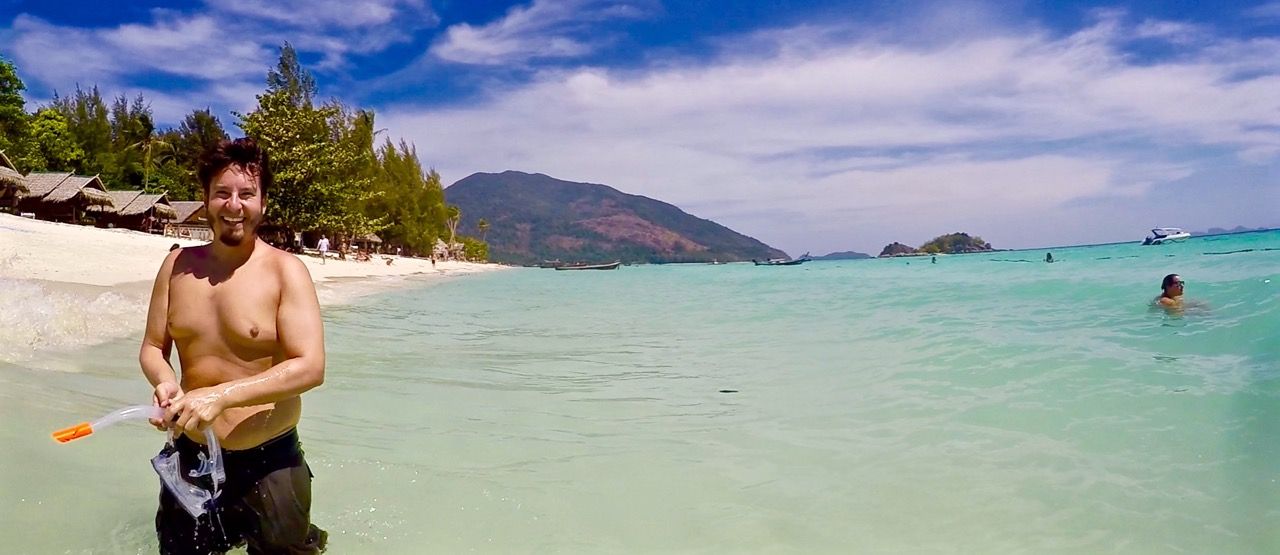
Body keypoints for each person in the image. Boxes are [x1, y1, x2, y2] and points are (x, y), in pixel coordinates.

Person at [139, 138, 327, 554]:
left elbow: (310, 366)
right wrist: (166, 382)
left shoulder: (286, 271)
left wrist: (222, 396)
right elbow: (153, 347)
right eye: (222, 193)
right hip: (191, 453)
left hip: (269, 460)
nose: (234, 205)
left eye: (246, 194)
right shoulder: (176, 266)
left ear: (263, 202)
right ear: (206, 199)